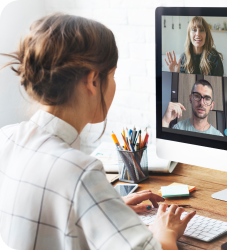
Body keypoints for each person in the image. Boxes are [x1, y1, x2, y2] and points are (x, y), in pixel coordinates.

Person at [0, 13, 195, 250]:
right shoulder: (80, 171)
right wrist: (165, 231)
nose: (114, 84)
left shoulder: (6, 138)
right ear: (93, 80)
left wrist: (105, 206)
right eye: (112, 75)